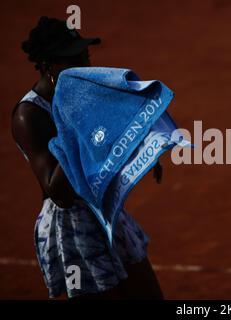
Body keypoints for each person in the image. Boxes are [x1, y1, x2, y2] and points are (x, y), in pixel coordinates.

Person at [10, 16, 164, 300]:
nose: (85, 67)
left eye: (84, 56)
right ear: (48, 66)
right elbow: (59, 193)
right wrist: (75, 122)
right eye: (72, 60)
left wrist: (146, 149)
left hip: (104, 210)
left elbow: (114, 134)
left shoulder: (82, 97)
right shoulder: (28, 115)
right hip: (73, 227)